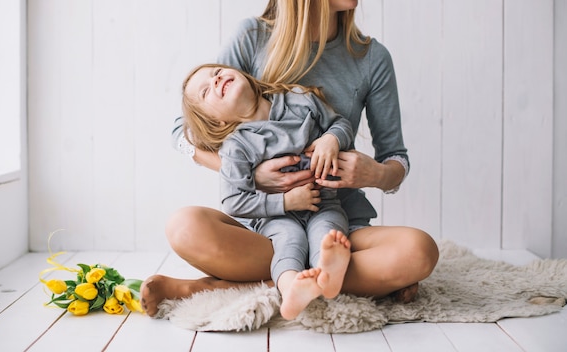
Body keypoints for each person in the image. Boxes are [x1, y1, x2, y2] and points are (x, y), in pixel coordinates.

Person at [141, 0, 440, 317]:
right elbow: (185, 129)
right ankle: (349, 281)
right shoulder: (253, 36)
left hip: (335, 221)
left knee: (419, 251)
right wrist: (253, 176)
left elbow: (395, 159)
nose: (217, 80)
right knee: (184, 226)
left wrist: (375, 174)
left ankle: (233, 286)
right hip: (266, 231)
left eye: (218, 76)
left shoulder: (369, 59)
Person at [182, 62, 355, 319]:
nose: (216, 80)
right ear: (215, 121)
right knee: (289, 241)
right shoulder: (236, 147)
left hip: (323, 204)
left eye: (217, 73)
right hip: (276, 219)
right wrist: (285, 202)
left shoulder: (300, 100)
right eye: (206, 91)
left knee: (329, 233)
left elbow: (340, 124)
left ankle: (328, 274)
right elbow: (233, 202)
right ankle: (291, 288)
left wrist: (332, 139)